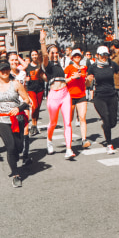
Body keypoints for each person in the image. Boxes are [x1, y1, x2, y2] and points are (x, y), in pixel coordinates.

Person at [0, 60, 31, 187]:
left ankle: (15, 155)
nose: (5, 72)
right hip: (1, 119)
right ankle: (16, 175)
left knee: (19, 146)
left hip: (17, 119)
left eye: (6, 69)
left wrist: (19, 108)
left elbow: (26, 99)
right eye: (2, 70)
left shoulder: (16, 84)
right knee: (10, 146)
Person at [40, 29, 75, 159]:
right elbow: (44, 55)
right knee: (53, 123)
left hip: (65, 94)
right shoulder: (47, 65)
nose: (55, 54)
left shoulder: (60, 64)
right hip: (54, 96)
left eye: (56, 52)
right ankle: (49, 140)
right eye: (52, 53)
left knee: (68, 123)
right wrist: (42, 41)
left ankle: (69, 149)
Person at [87, 46, 119, 154]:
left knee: (113, 122)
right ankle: (109, 144)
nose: (104, 57)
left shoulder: (112, 64)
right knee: (106, 118)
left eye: (106, 55)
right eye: (102, 55)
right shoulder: (93, 67)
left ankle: (105, 126)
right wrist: (88, 80)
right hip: (99, 97)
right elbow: (87, 83)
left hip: (112, 96)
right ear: (97, 56)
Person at [65, 49, 90, 148]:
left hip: (81, 95)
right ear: (72, 57)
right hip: (70, 96)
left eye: (78, 56)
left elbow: (87, 84)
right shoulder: (68, 68)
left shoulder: (84, 68)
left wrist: (88, 80)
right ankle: (69, 139)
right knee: (69, 119)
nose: (77, 57)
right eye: (75, 56)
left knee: (82, 117)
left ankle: (84, 139)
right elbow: (63, 81)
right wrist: (72, 77)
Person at [24, 49, 46, 136]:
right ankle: (33, 125)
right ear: (31, 56)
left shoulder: (41, 66)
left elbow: (45, 75)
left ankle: (35, 126)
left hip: (40, 88)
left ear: (37, 55)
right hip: (31, 89)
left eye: (35, 54)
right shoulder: (28, 67)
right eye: (32, 55)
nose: (34, 56)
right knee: (34, 106)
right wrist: (26, 80)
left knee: (38, 108)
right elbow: (24, 77)